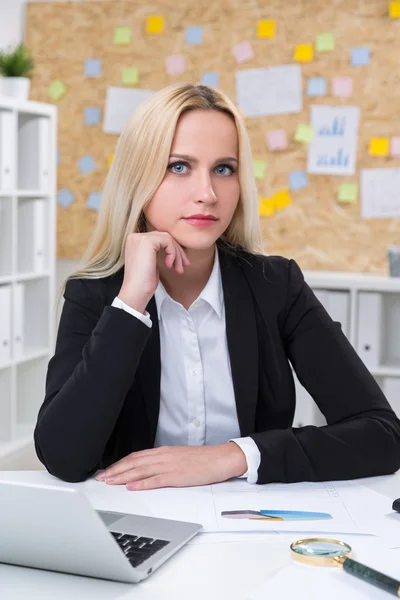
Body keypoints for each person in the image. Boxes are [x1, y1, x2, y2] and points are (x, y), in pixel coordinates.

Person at [34, 83, 400, 489]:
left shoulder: (276, 286)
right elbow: (63, 457)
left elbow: (383, 435)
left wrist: (231, 456)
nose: (207, 194)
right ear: (138, 177)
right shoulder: (96, 294)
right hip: (135, 521)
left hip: (252, 525)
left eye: (223, 169)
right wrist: (131, 304)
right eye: (179, 166)